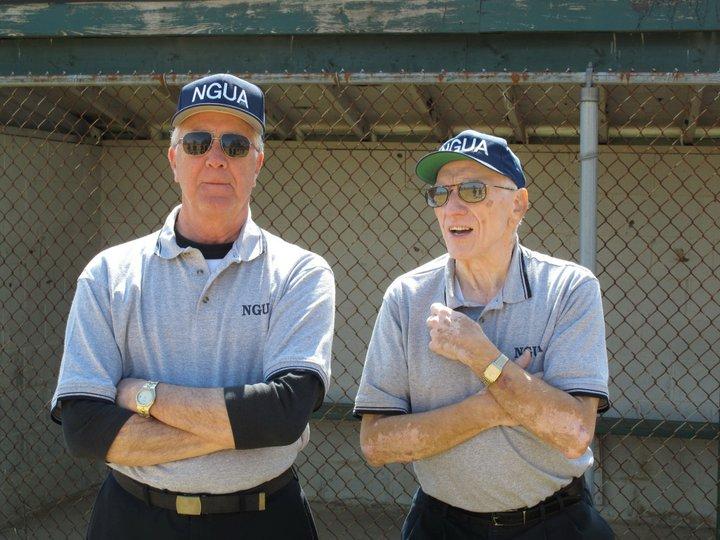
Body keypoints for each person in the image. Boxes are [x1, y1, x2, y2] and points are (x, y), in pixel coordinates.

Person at [50, 73, 334, 539]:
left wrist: (144, 395)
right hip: (134, 518)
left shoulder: (300, 272)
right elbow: (84, 427)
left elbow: (284, 414)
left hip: (263, 518)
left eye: (236, 146)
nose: (216, 159)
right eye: (198, 143)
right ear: (174, 160)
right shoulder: (109, 273)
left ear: (258, 163)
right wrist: (241, 430)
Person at [354, 130, 613, 539]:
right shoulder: (407, 297)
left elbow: (574, 434)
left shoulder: (569, 289)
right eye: (441, 194)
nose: (452, 207)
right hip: (441, 524)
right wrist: (494, 407)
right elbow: (376, 444)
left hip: (553, 522)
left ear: (518, 204)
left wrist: (482, 357)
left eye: (473, 191)